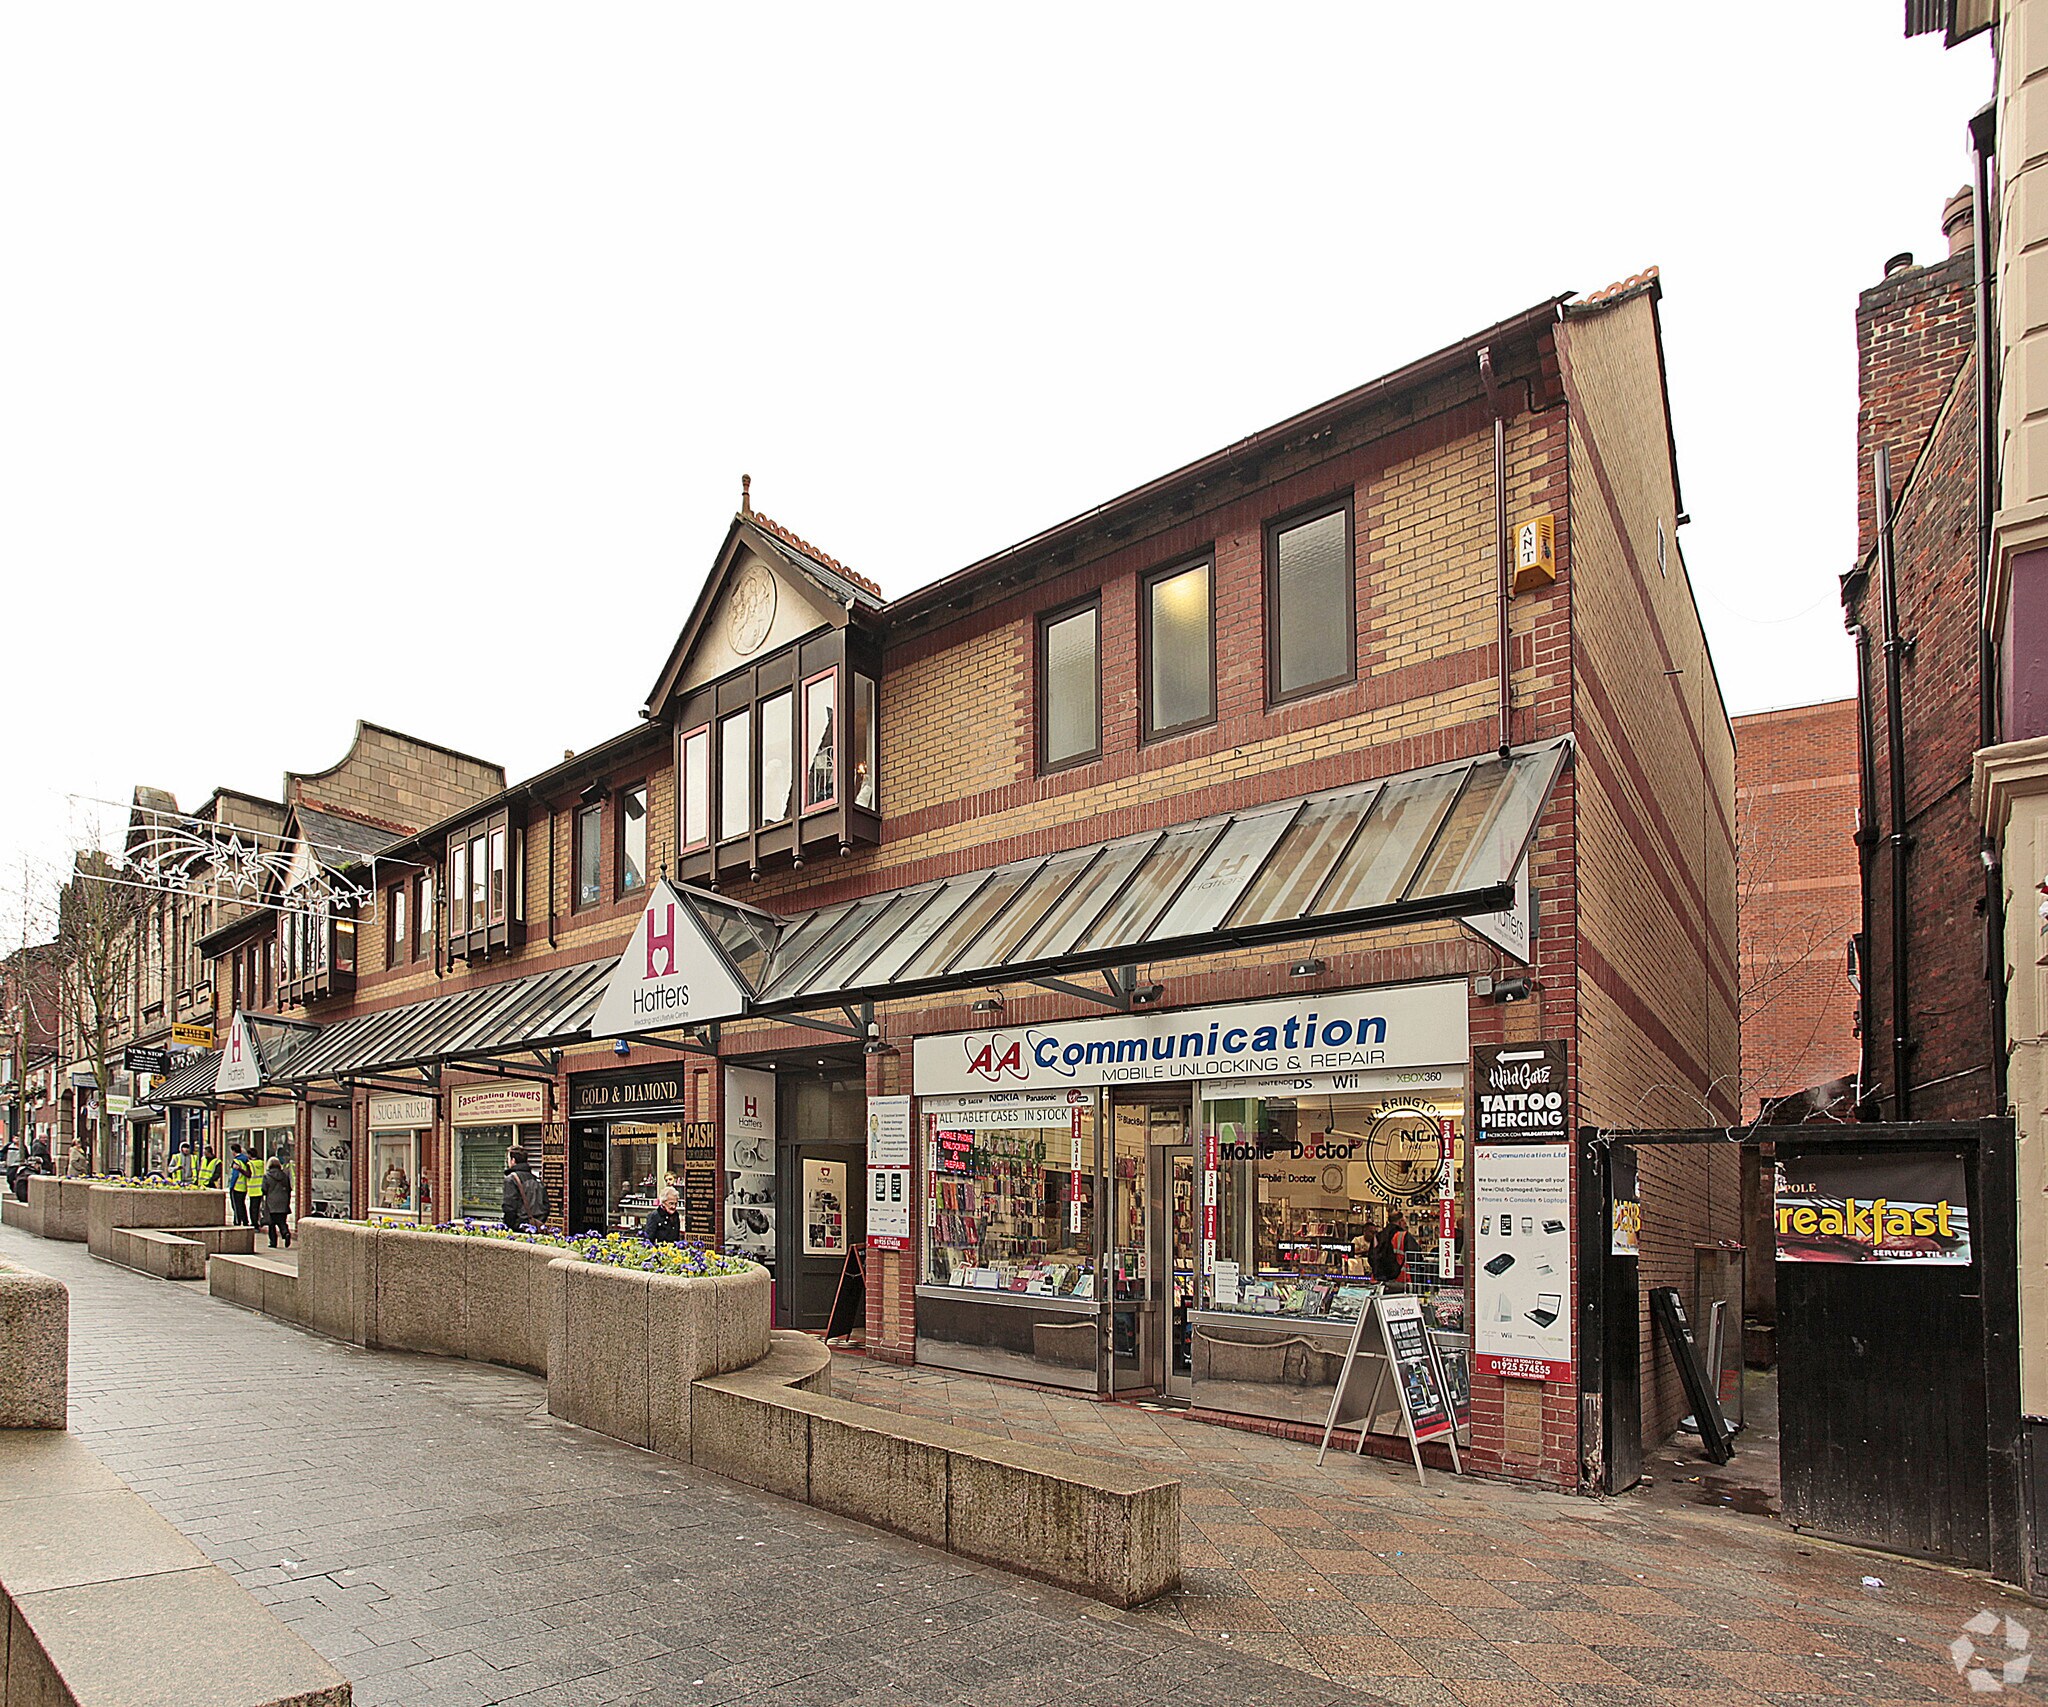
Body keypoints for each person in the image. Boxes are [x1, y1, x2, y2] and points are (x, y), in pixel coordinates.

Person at [502, 1146, 547, 1231]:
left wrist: (513, 1226)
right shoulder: (536, 1179)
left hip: (519, 1228)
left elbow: (509, 1207)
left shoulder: (511, 1179)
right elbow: (546, 1205)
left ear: (513, 1160)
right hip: (537, 1227)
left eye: (508, 1159)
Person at [261, 1146, 293, 1249]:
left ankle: (273, 1242)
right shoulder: (284, 1175)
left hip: (272, 1203)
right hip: (283, 1202)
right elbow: (289, 1188)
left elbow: (264, 1189)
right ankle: (285, 1233)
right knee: (282, 1221)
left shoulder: (267, 1176)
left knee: (271, 1223)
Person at [1371, 1211, 1410, 1287]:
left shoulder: (1378, 1236)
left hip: (1378, 1279)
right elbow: (1415, 1256)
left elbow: (1371, 1256)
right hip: (1399, 1280)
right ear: (1400, 1221)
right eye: (1404, 1222)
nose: (1405, 1224)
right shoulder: (1403, 1236)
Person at [242, 1147, 266, 1231]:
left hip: (253, 1189)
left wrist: (240, 1170)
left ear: (249, 1155)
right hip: (261, 1188)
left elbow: (248, 1174)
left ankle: (255, 1224)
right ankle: (259, 1222)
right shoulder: (261, 1162)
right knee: (260, 1207)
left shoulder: (250, 1164)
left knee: (253, 1208)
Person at [226, 1146, 250, 1225]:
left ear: (233, 1151)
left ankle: (237, 1221)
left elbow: (235, 1175)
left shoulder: (236, 1161)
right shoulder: (246, 1160)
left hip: (237, 1186)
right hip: (243, 1186)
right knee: (242, 1205)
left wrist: (231, 1186)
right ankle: (245, 1221)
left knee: (236, 1206)